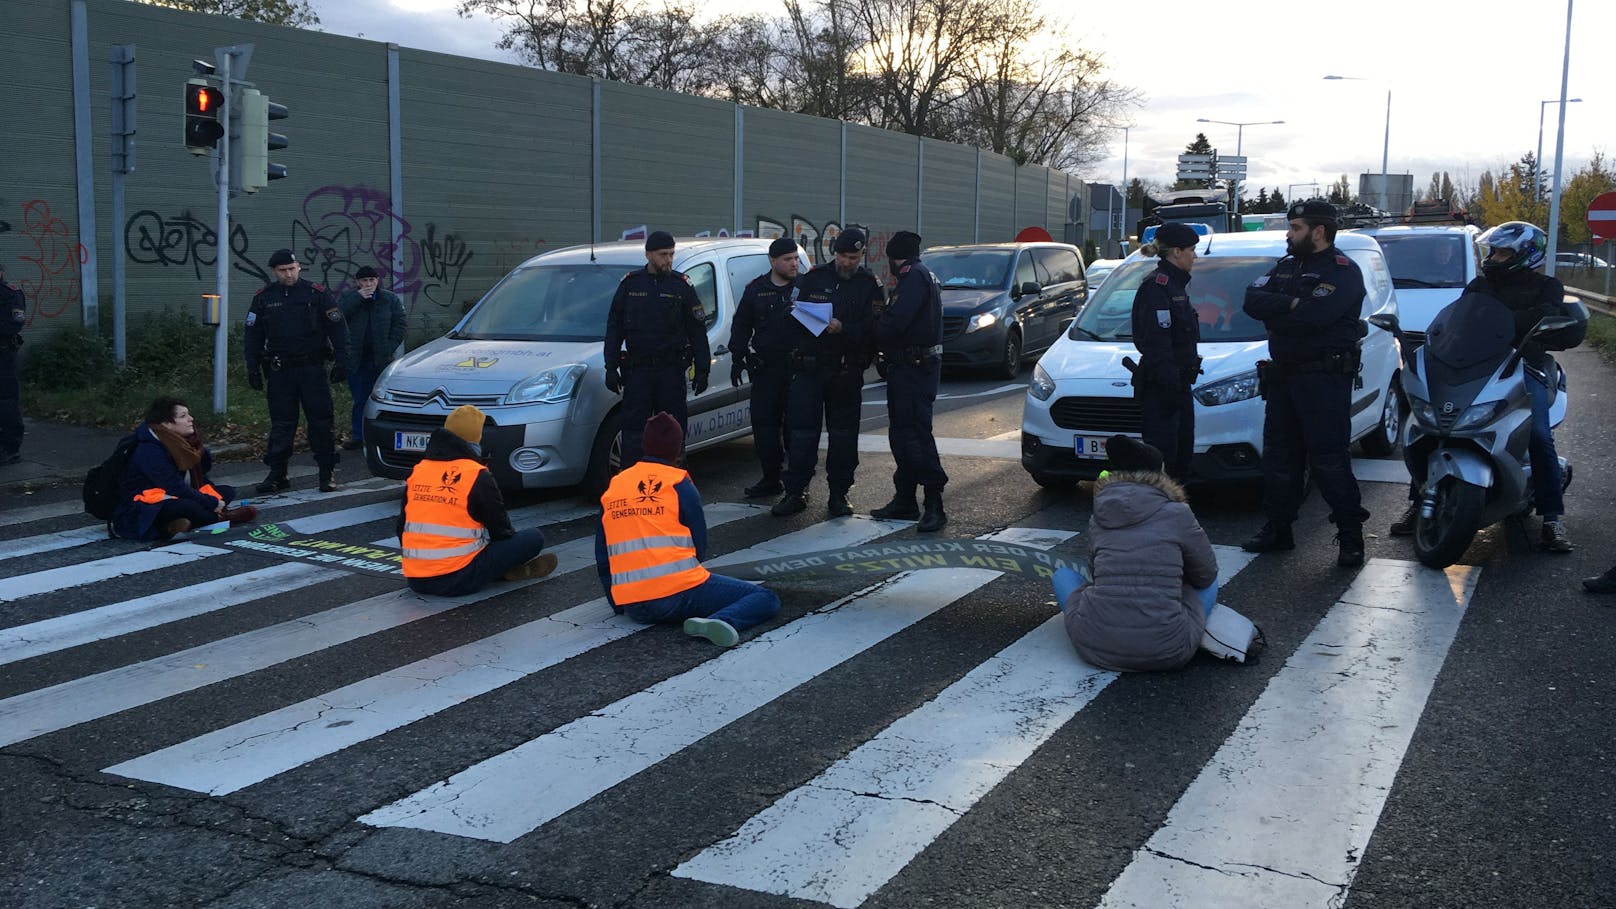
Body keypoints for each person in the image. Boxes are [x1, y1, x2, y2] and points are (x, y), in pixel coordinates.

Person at [1389, 221, 1576, 552]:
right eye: (1493, 251)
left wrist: (1513, 322)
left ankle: (1551, 518)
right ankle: (1420, 501)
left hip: (1522, 366)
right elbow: (1459, 320)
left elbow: (1545, 317)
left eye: (1503, 252)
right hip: (1475, 364)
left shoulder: (1547, 287)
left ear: (1524, 256)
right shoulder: (1479, 285)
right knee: (1432, 426)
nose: (1494, 258)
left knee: (1538, 435)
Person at [1241, 200, 1370, 568]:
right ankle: (1278, 529)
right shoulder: (1286, 266)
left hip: (1323, 380)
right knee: (1280, 460)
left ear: (1318, 231)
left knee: (1329, 461)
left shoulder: (1343, 270)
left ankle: (1350, 536)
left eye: (1295, 227)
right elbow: (1251, 300)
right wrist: (1294, 303)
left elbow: (1317, 316)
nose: (1288, 233)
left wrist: (1282, 308)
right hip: (1283, 378)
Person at [595, 412, 780, 647]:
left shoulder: (616, 484)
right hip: (677, 594)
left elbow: (602, 552)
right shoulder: (678, 482)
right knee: (764, 597)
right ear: (678, 448)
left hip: (635, 605)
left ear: (644, 445)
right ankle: (720, 620)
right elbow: (698, 545)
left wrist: (616, 600)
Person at [1054, 435, 1219, 672]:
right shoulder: (1178, 513)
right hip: (1169, 650)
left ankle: (1104, 622)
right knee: (1210, 581)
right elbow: (1206, 574)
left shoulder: (1099, 514)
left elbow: (1095, 575)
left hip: (1094, 646)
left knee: (1062, 574)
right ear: (1160, 476)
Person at [772, 227, 881, 518]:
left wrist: (843, 328)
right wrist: (802, 315)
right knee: (802, 434)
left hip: (845, 371)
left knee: (843, 436)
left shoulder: (869, 284)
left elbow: (875, 330)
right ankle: (796, 491)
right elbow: (787, 313)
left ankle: (839, 493)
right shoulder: (813, 278)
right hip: (809, 368)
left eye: (854, 257)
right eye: (844, 257)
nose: (848, 263)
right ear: (835, 254)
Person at [399, 404, 556, 596]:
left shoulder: (420, 470)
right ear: (477, 438)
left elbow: (401, 528)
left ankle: (497, 571)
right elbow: (501, 531)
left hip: (416, 579)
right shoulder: (475, 474)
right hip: (457, 578)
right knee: (533, 538)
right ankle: (502, 571)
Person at [246, 248, 350, 495]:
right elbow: (253, 334)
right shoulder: (264, 297)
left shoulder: (317, 294)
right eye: (283, 271)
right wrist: (252, 366)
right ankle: (277, 473)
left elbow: (338, 329)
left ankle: (327, 472)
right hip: (281, 370)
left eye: (292, 269)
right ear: (274, 271)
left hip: (312, 369)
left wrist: (343, 361)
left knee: (321, 422)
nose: (288, 274)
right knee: (282, 423)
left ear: (299, 267)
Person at [603, 231, 711, 466]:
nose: (669, 260)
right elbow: (614, 328)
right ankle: (633, 485)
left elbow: (697, 330)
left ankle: (672, 487)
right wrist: (610, 366)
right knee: (633, 433)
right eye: (663, 255)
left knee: (672, 431)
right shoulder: (631, 284)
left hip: (670, 372)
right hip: (638, 371)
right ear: (649, 254)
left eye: (672, 254)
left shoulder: (680, 285)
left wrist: (703, 368)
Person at [871, 230, 949, 532]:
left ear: (893, 257)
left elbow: (893, 324)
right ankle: (905, 499)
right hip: (908, 369)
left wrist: (872, 326)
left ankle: (934, 504)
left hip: (914, 371)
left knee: (915, 437)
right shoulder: (921, 274)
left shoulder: (913, 277)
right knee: (903, 435)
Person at [112, 397, 258, 541]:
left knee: (226, 492)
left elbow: (201, 477)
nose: (191, 419)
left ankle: (182, 523)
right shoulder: (149, 449)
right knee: (190, 507)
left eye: (188, 414)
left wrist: (198, 449)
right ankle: (221, 517)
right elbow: (174, 486)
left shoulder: (182, 442)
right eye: (183, 416)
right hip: (147, 503)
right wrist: (211, 503)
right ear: (166, 424)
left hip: (176, 494)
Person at [1129, 222, 1203, 481]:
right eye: (1191, 249)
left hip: (1178, 387)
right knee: (1163, 463)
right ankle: (1160, 515)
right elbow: (1156, 343)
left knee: (1181, 459)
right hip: (1164, 391)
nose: (1195, 255)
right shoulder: (1156, 287)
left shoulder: (1175, 286)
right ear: (1176, 252)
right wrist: (1171, 387)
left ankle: (1174, 514)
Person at [728, 237, 800, 499]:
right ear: (773, 261)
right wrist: (738, 357)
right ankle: (770, 478)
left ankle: (796, 485)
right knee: (764, 426)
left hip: (798, 371)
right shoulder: (756, 289)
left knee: (796, 429)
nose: (794, 264)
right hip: (767, 370)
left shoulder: (806, 286)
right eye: (787, 259)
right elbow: (742, 325)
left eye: (795, 258)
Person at [337, 265, 407, 451]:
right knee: (360, 398)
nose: (369, 284)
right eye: (365, 281)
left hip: (381, 358)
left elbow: (400, 324)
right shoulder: (349, 298)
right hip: (357, 358)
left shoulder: (389, 299)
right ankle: (359, 435)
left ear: (377, 281)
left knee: (383, 398)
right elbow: (337, 316)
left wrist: (389, 347)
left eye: (372, 280)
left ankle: (384, 435)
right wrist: (356, 299)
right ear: (358, 282)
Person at [0, 261, 24, 465]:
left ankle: (10, 447)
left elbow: (14, 323)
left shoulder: (10, 293)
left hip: (3, 355)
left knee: (6, 401)